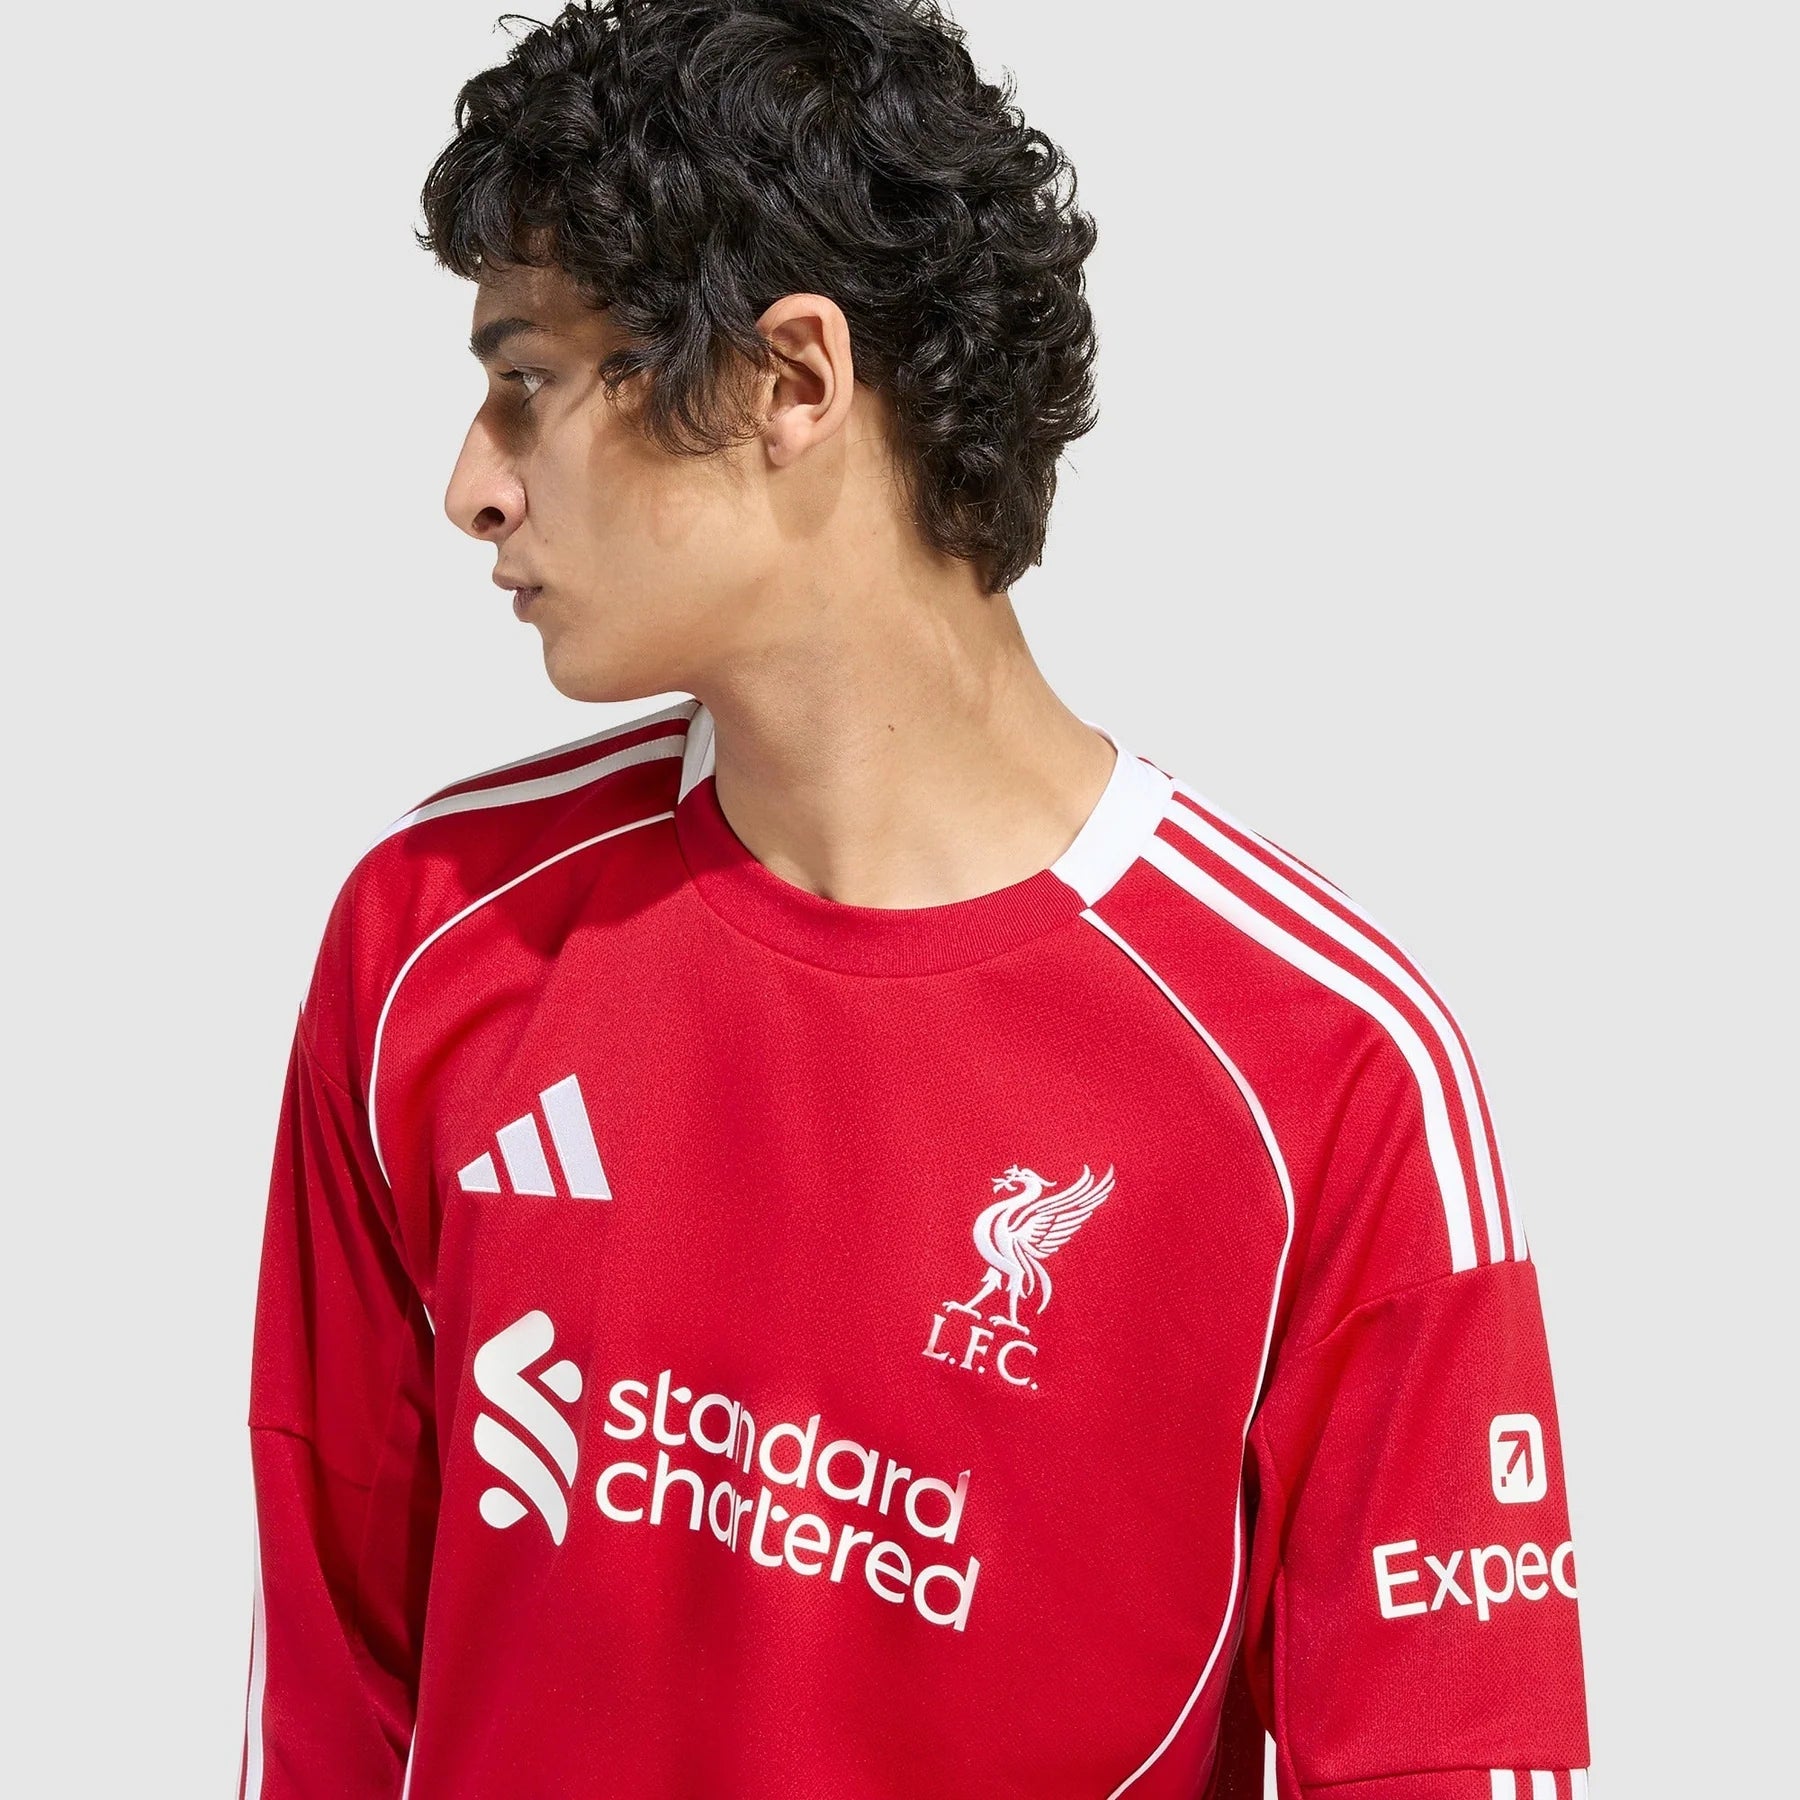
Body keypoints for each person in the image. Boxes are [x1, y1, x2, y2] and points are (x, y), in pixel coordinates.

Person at [238, 2, 1591, 1796]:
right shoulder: (435, 939)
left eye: (530, 381)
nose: (471, 489)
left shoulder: (1324, 1067)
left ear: (792, 381)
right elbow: (330, 1708)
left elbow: (1441, 1755)